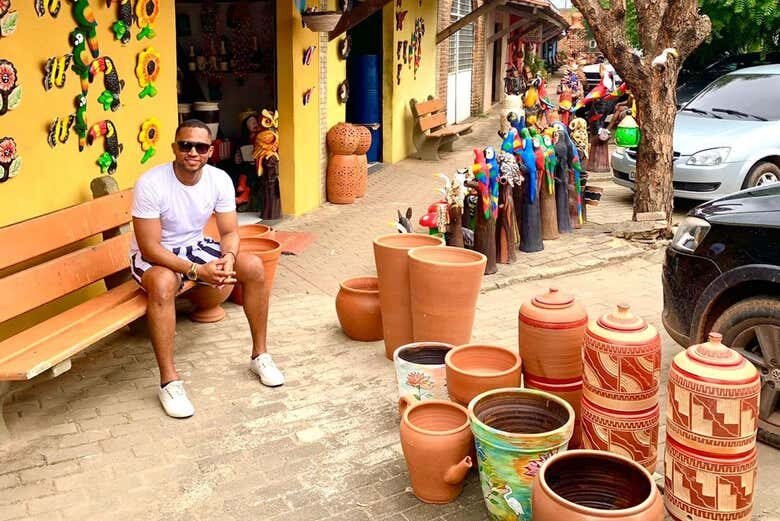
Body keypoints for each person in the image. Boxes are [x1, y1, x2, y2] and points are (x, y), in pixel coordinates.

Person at [130, 119, 284, 419]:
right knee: (163, 284)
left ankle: (260, 355)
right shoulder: (151, 182)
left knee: (251, 265)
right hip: (156, 253)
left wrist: (228, 256)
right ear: (174, 147)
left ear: (210, 151)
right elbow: (150, 248)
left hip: (195, 244)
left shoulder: (219, 180)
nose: (192, 152)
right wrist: (195, 272)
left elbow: (229, 232)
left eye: (200, 146)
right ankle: (169, 381)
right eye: (185, 145)